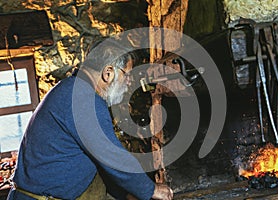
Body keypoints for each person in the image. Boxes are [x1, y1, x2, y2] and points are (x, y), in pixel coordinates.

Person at [7, 38, 173, 200]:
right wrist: (150, 189)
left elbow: (99, 160)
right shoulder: (82, 99)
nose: (130, 81)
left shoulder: (75, 90)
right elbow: (112, 157)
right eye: (127, 74)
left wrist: (124, 194)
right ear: (108, 73)